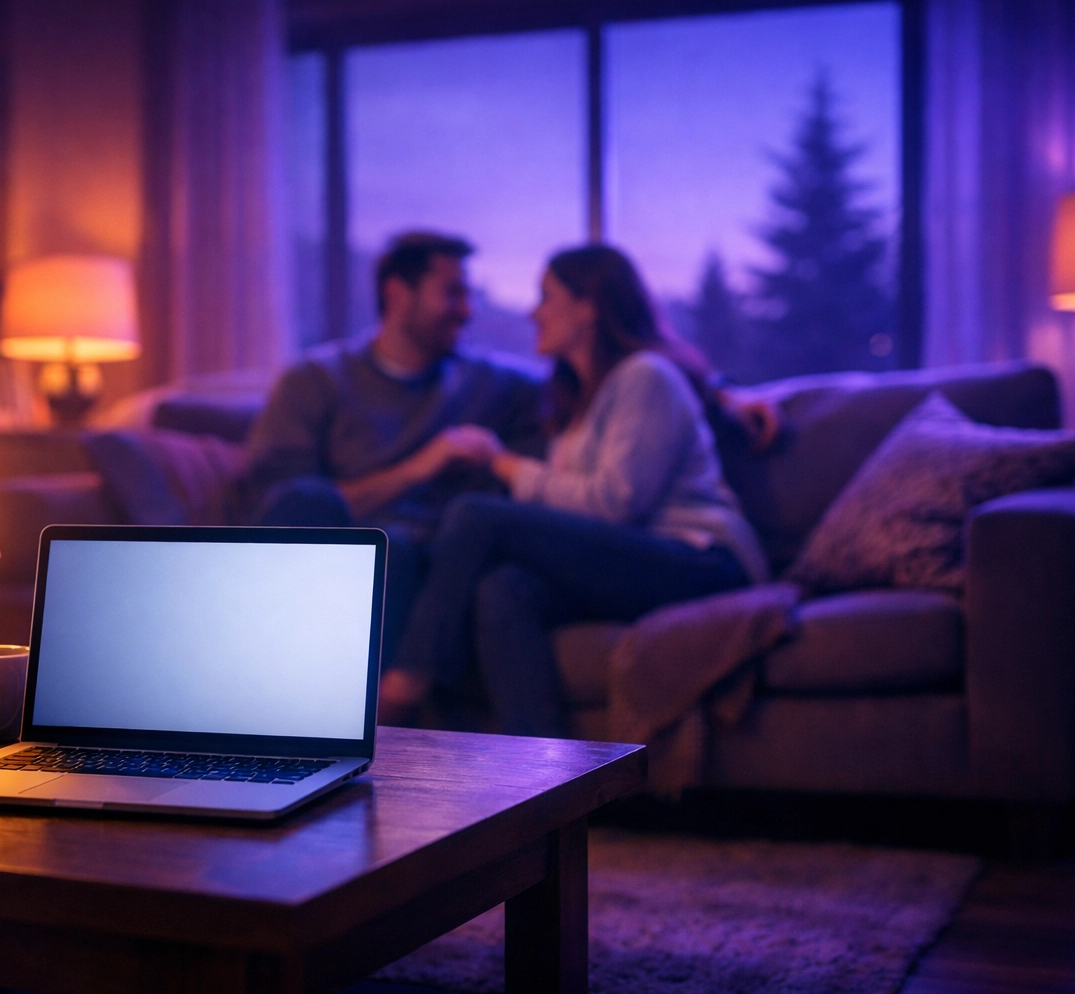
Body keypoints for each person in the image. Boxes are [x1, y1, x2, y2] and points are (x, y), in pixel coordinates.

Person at [378, 244, 770, 736]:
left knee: (476, 516)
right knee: (504, 589)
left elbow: (613, 504)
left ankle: (405, 685)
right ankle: (542, 776)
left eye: (546, 297)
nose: (534, 313)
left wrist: (506, 465)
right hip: (639, 560)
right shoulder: (573, 400)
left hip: (703, 561)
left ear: (588, 307)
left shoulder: (645, 376)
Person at [241, 232, 547, 663]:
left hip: (434, 565)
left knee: (400, 551)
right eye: (453, 293)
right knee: (310, 502)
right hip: (336, 563)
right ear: (398, 294)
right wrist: (419, 468)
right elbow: (286, 507)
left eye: (468, 295)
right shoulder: (315, 381)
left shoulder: (495, 385)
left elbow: (566, 399)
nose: (467, 311)